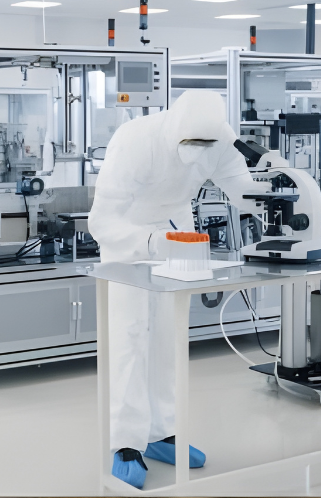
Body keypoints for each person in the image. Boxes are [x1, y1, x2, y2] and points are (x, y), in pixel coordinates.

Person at [88, 89, 260, 489]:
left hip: (176, 231)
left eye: (207, 145)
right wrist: (148, 243)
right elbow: (102, 220)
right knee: (130, 337)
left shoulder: (221, 141)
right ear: (174, 130)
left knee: (168, 336)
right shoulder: (136, 141)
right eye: (192, 144)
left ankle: (162, 432)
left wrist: (282, 192)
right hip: (126, 236)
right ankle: (126, 442)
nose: (199, 153)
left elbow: (245, 191)